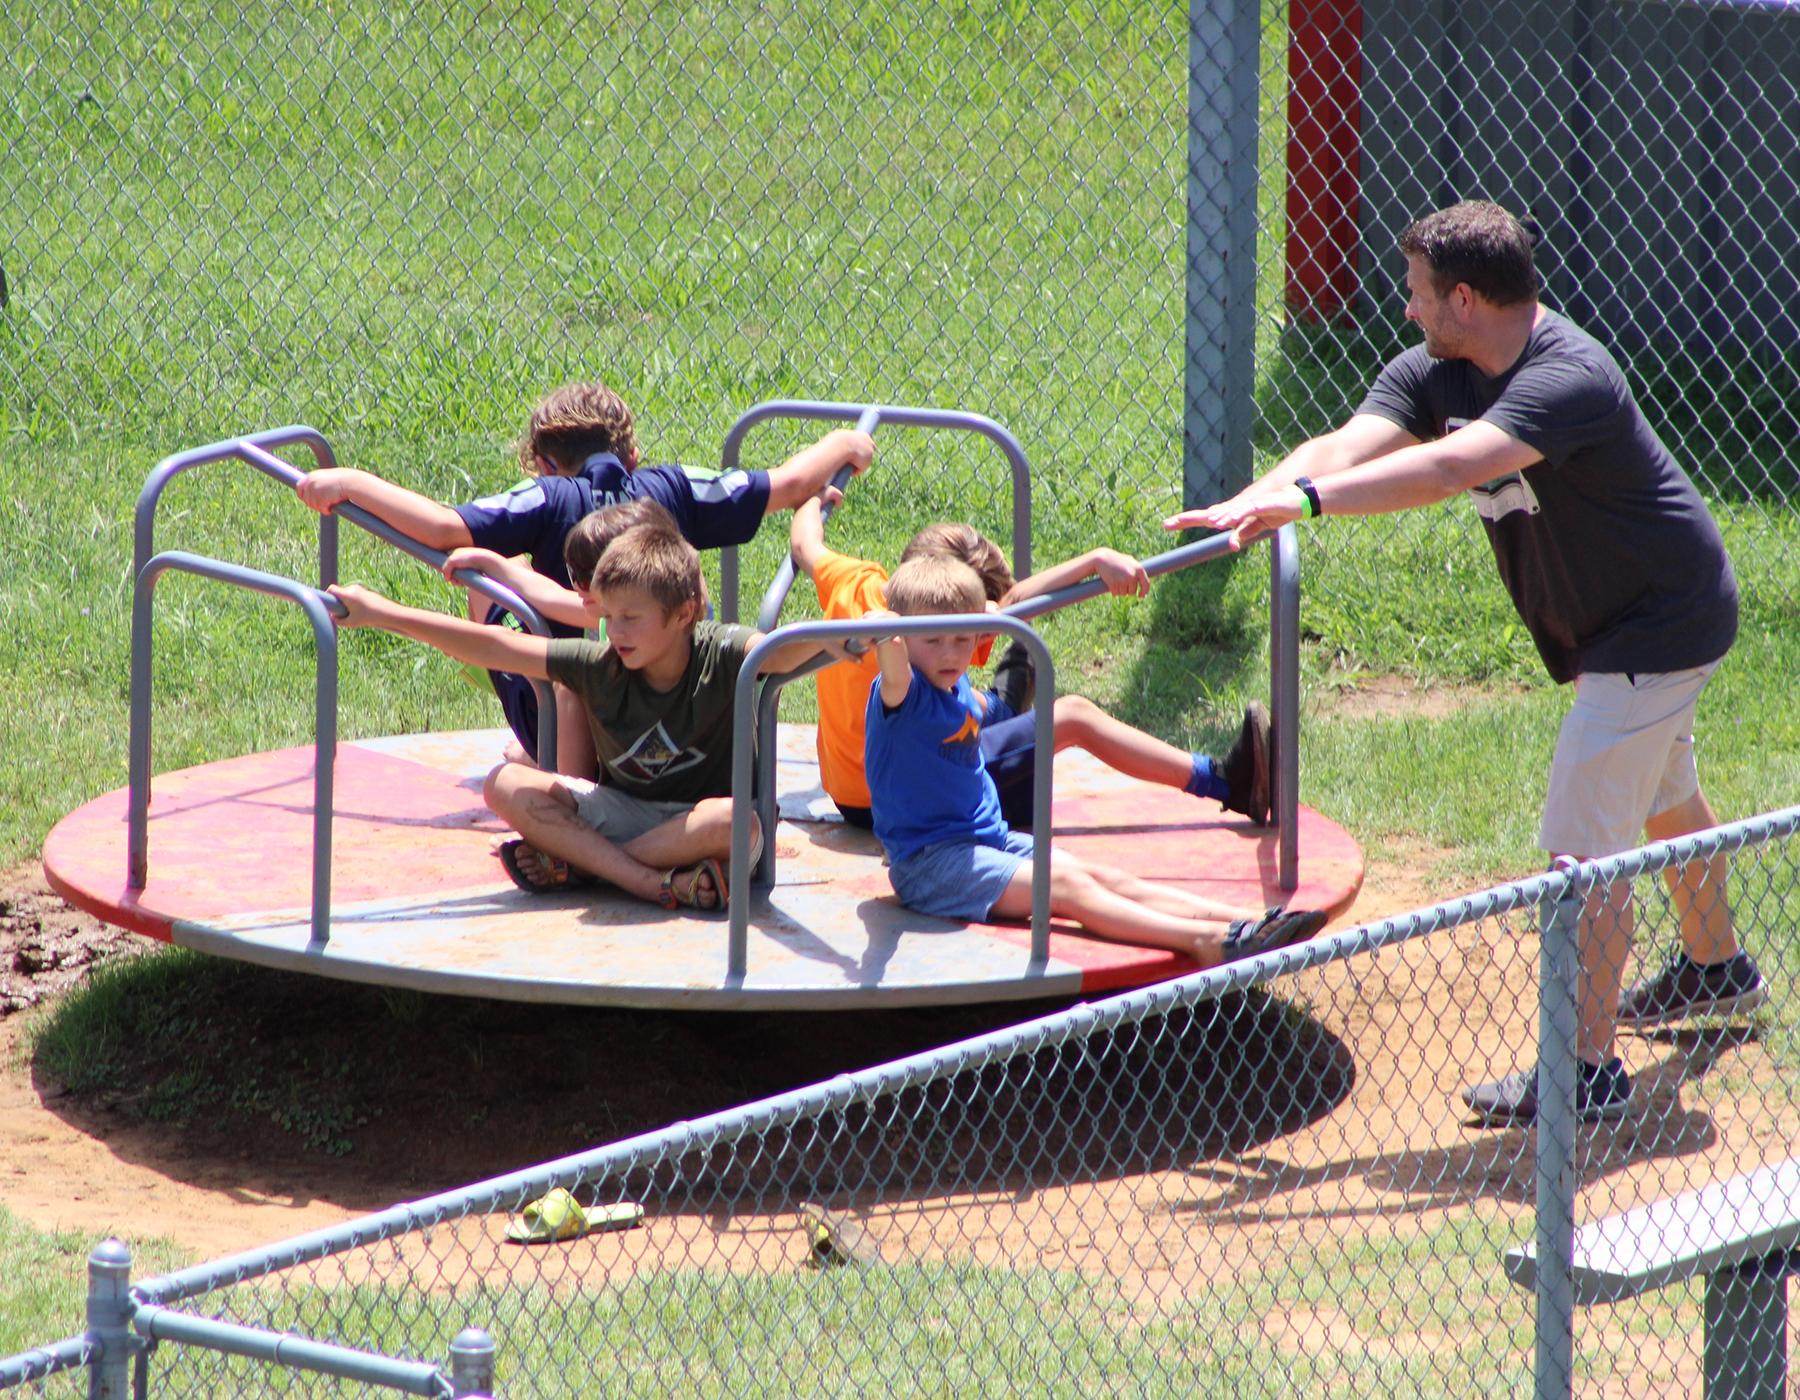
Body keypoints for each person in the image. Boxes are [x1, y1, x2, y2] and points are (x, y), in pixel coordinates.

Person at [1165, 199, 1765, 1125]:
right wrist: (1257, 498)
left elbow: (1449, 472)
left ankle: (1583, 1070)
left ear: (1467, 299)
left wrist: (1311, 506)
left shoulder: (1568, 377)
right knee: (1660, 796)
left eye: (1417, 294)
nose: (1406, 310)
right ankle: (1718, 970)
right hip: (1625, 625)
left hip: (1657, 624)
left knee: (1584, 850)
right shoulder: (1438, 370)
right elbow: (1342, 445)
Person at [296, 380, 874, 766]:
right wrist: (844, 440)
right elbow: (790, 484)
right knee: (517, 582)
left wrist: (351, 483)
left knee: (485, 581)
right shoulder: (670, 486)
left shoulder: (548, 496)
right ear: (631, 455)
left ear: (545, 462)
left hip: (577, 706)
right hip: (686, 707)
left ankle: (549, 757)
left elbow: (444, 528)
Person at [329, 521, 838, 910]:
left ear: (684, 614)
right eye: (609, 616)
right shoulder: (601, 666)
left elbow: (780, 652)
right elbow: (495, 645)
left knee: (734, 821)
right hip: (625, 813)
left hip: (702, 822)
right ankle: (645, 880)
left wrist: (851, 630)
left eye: (631, 618)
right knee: (505, 782)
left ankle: (583, 865)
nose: (615, 633)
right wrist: (382, 613)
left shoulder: (721, 652)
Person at [862, 555, 1326, 963]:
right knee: (1064, 889)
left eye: (963, 640)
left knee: (1097, 874)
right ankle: (1207, 940)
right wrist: (886, 627)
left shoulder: (955, 681)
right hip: (931, 865)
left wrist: (1089, 562)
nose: (951, 654)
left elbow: (1013, 603)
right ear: (904, 636)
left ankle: (1251, 922)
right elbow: (894, 655)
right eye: (934, 642)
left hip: (987, 840)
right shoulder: (903, 693)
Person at [789, 495, 1272, 833]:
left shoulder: (857, 582)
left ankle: (1011, 718)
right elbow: (1015, 602)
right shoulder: (942, 628)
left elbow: (804, 545)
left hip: (848, 796)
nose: (953, 642)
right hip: (916, 793)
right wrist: (1093, 559)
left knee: (997, 679)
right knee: (1072, 713)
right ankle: (1226, 781)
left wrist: (812, 496)